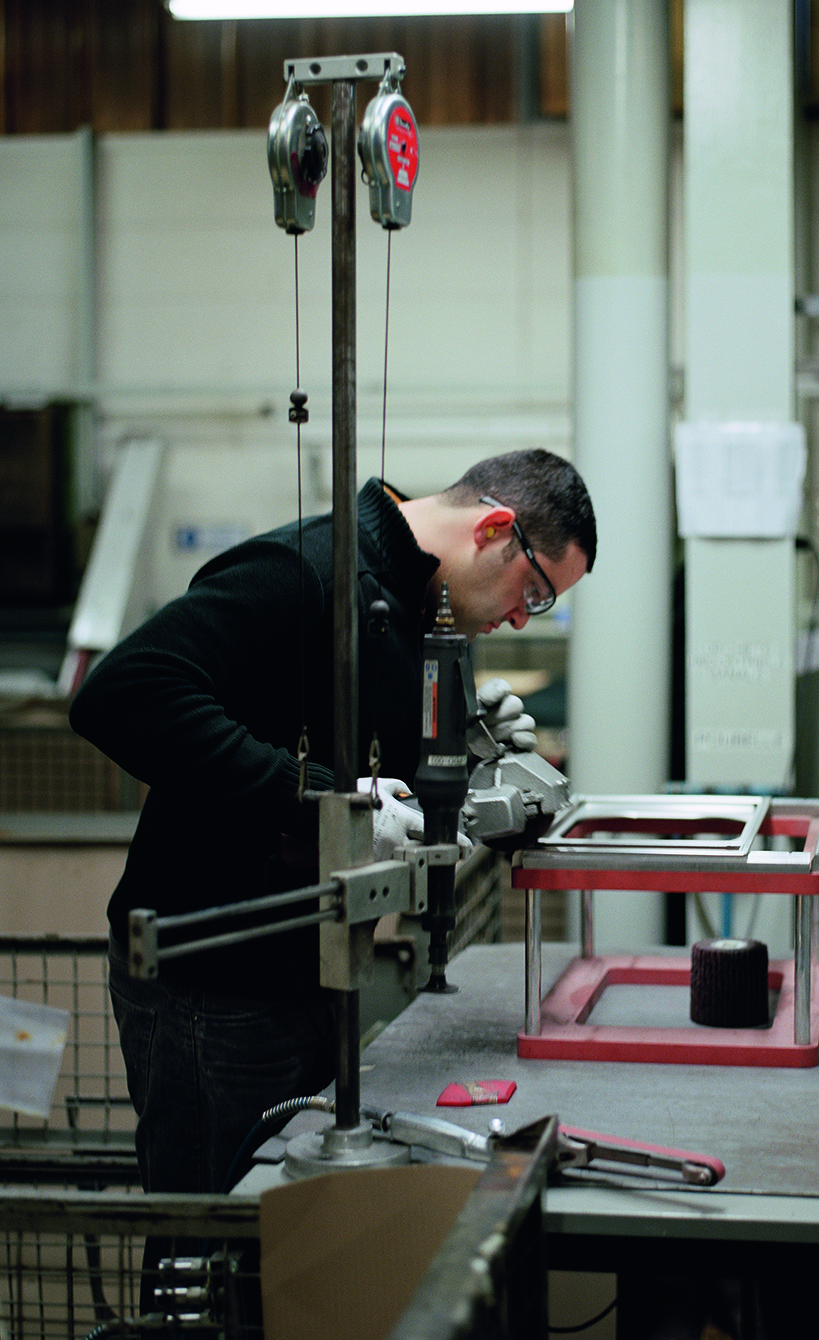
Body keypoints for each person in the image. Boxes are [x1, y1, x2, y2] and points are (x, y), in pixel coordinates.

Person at [69, 448, 596, 1199]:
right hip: (211, 983)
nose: (519, 615)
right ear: (495, 528)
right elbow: (123, 692)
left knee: (288, 1234)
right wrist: (322, 798)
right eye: (535, 591)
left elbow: (395, 793)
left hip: (314, 977)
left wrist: (471, 754)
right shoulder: (306, 569)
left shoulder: (428, 613)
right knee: (212, 1243)